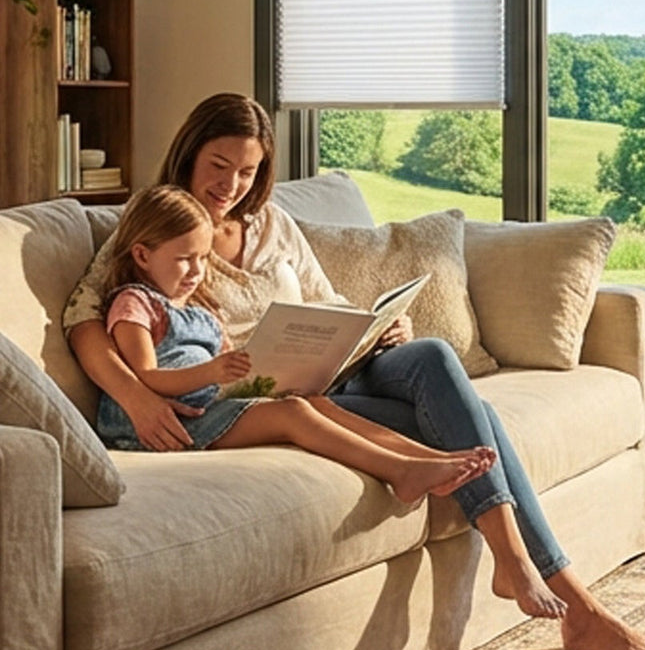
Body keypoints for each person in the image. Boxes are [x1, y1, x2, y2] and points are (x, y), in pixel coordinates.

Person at [67, 93, 645, 650]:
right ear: (189, 155)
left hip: (342, 369)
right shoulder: (162, 224)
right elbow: (87, 317)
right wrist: (136, 396)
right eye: (218, 166)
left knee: (432, 355)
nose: (231, 186)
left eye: (248, 172)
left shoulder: (273, 224)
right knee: (476, 423)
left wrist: (374, 327)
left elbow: (325, 301)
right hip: (272, 396)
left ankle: (525, 567)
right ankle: (565, 593)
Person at [93, 183, 495, 506]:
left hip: (205, 407)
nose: (197, 271)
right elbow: (147, 377)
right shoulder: (134, 303)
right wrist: (213, 372)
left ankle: (426, 458)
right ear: (143, 256)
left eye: (202, 258)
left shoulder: (197, 306)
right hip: (163, 424)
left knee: (312, 403)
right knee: (292, 414)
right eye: (185, 260)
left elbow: (220, 370)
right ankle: (402, 473)